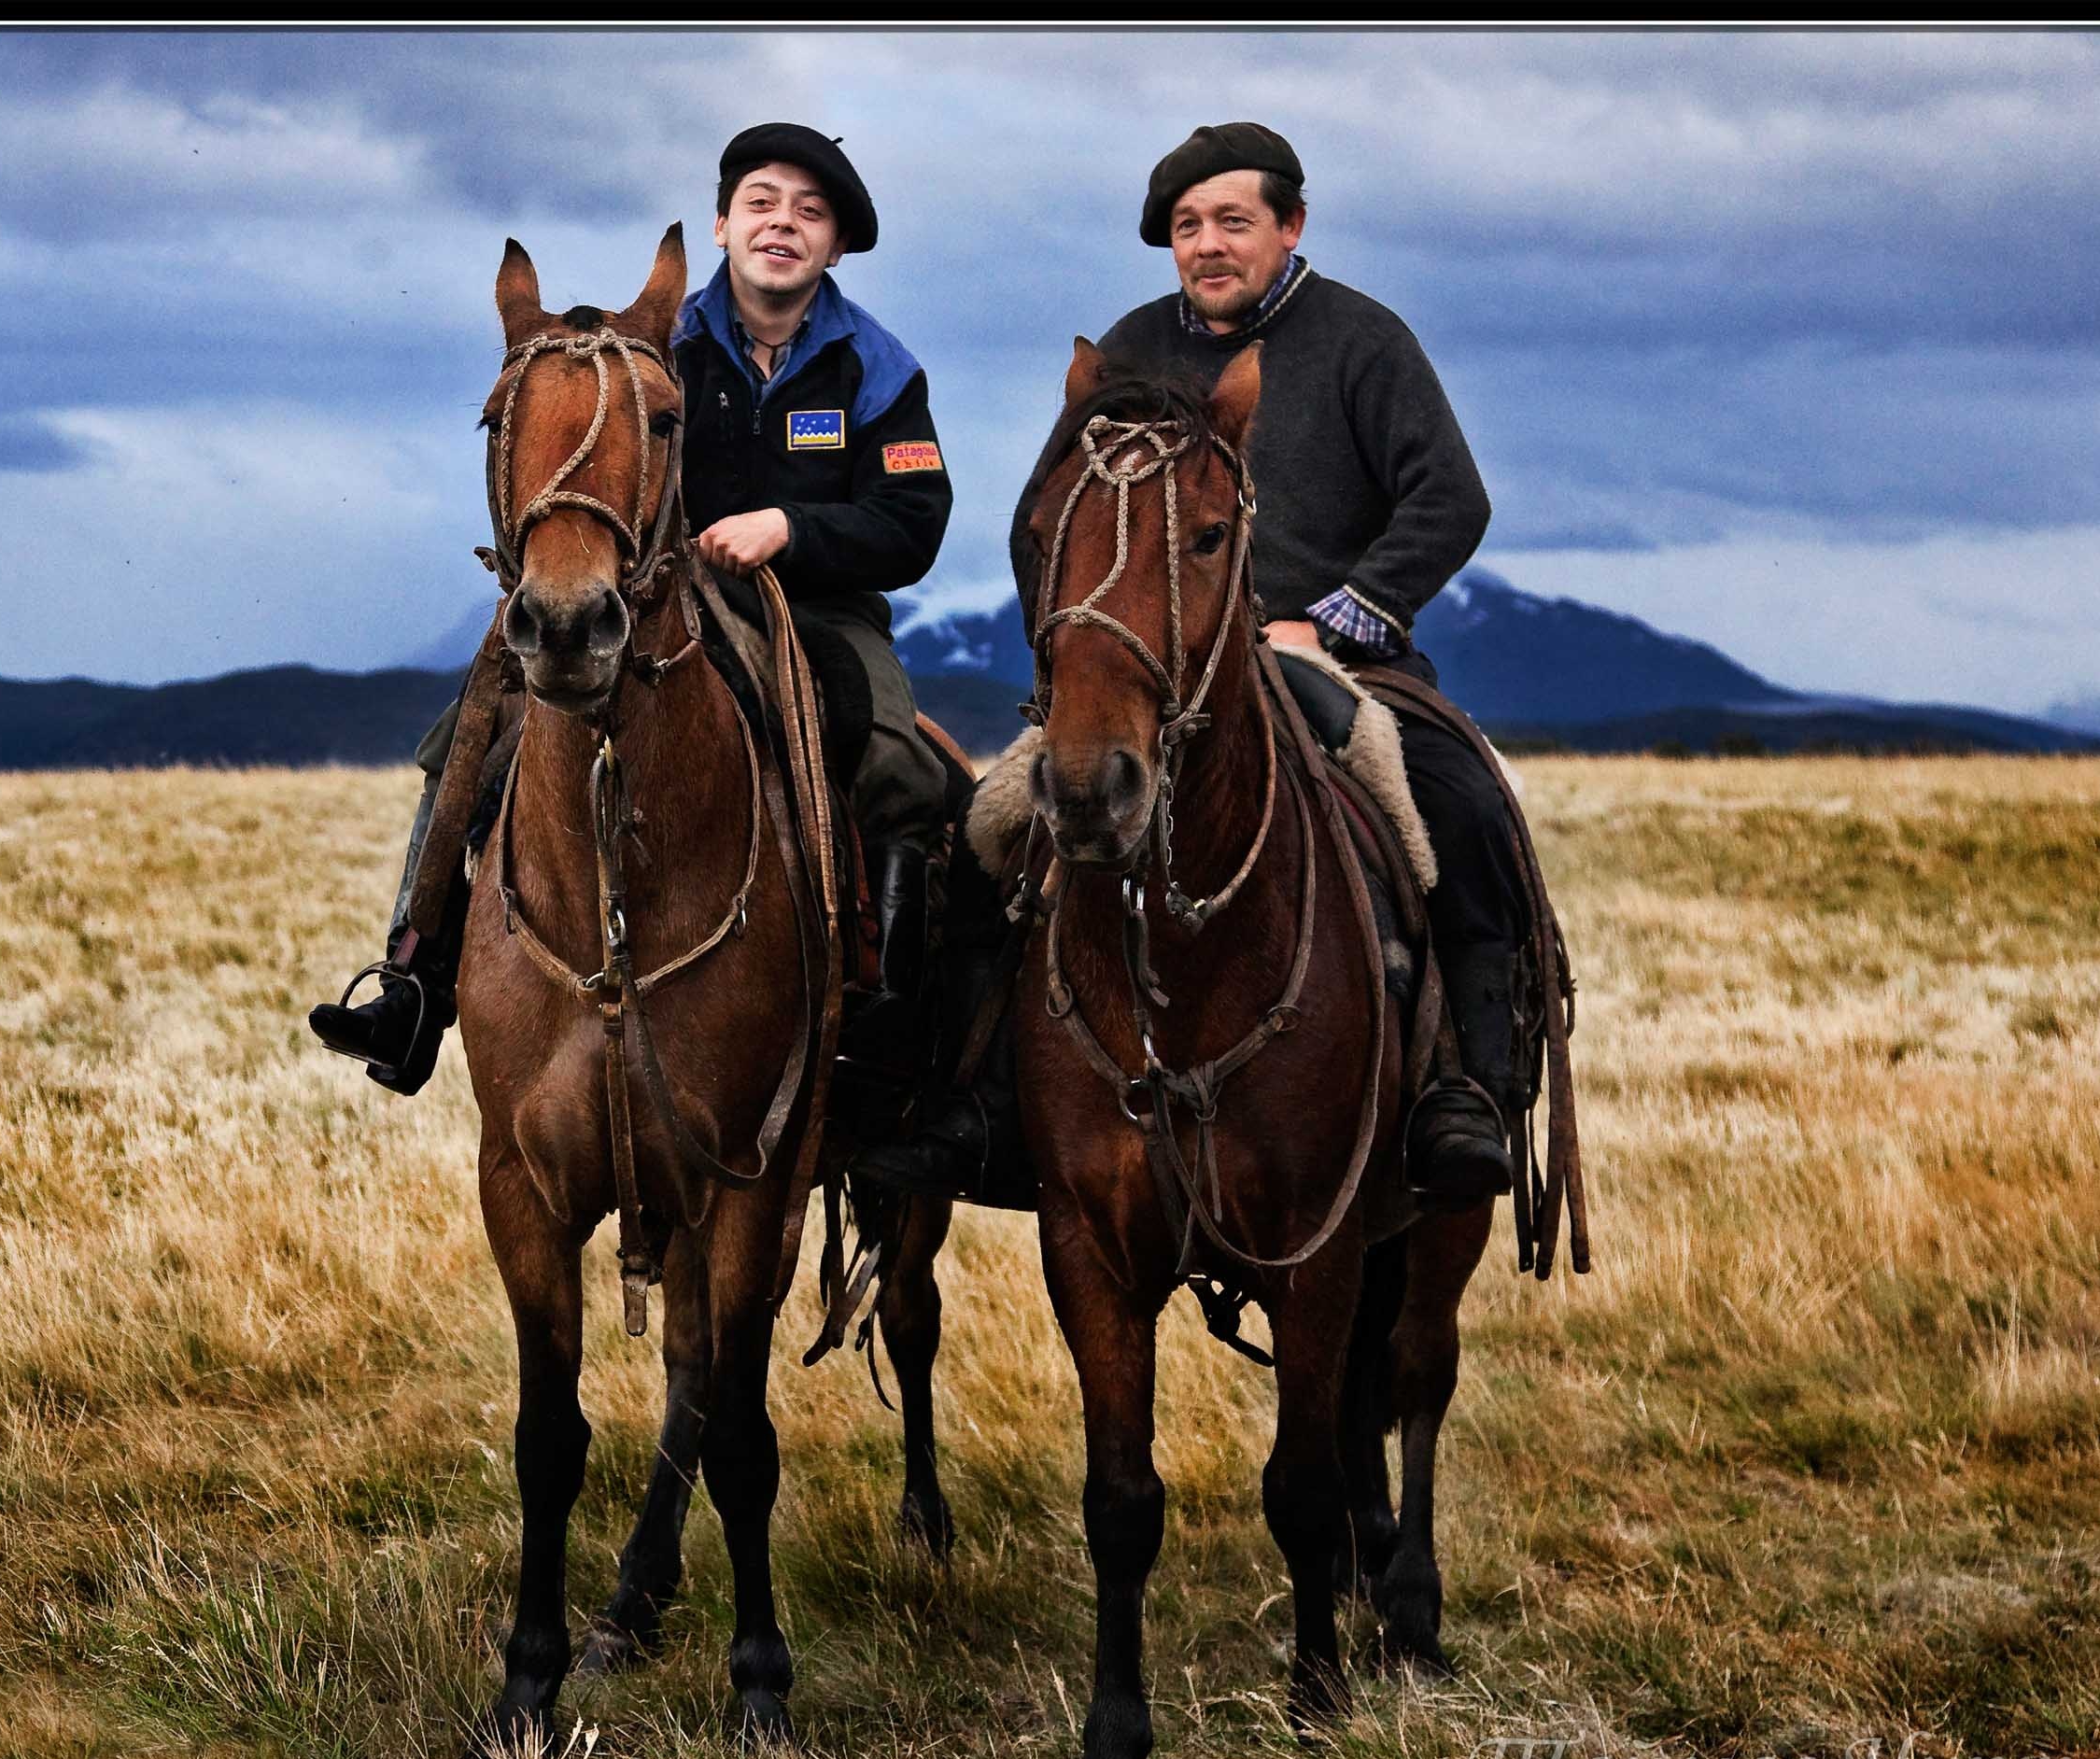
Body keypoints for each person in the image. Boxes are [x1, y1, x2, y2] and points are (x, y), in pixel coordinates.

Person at [868, 121, 1529, 1207]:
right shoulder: (1126, 352)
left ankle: (1469, 1088)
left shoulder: (1366, 340)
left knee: (1456, 806)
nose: (1209, 244)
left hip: (1329, 656)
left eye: (1233, 220)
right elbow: (1049, 516)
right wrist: (1077, 652)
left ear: (1290, 225)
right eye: (1187, 227)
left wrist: (1334, 621)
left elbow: (1451, 497)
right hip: (1149, 675)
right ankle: (979, 1101)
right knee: (992, 826)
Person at [312, 122, 957, 1093]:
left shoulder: (880, 367)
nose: (784, 223)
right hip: (657, 602)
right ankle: (412, 987)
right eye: (762, 203)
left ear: (834, 245)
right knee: (469, 739)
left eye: (810, 212)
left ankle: (885, 1026)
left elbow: (914, 522)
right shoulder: (648, 353)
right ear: (723, 224)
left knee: (904, 768)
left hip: (820, 613)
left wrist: (789, 528)